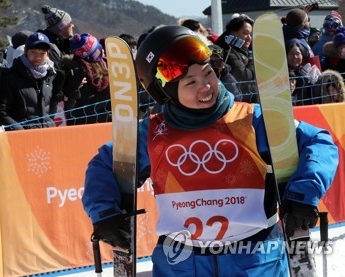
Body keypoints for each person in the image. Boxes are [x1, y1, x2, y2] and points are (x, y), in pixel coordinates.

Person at [82, 26, 338, 276]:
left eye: (208, 74)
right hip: (180, 261)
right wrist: (104, 213)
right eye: (190, 82)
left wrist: (301, 196)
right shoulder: (151, 133)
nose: (205, 86)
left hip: (255, 258)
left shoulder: (251, 119)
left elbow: (318, 142)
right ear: (166, 92)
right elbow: (105, 164)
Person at [0, 32, 62, 130]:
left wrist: (50, 125)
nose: (38, 57)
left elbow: (48, 111)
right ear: (25, 51)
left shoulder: (49, 77)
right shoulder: (11, 77)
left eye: (42, 53)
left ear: (48, 54)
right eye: (33, 52)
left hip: (45, 135)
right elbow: (1, 113)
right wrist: (20, 131)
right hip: (21, 138)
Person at [64, 33, 110, 125]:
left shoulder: (102, 63)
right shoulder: (81, 72)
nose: (102, 52)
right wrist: (110, 93)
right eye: (98, 51)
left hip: (100, 120)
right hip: (83, 125)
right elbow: (88, 108)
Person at [214, 14, 257, 102]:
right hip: (239, 102)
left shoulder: (244, 50)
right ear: (233, 32)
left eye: (251, 34)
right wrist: (253, 61)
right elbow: (244, 76)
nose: (249, 38)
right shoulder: (227, 51)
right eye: (245, 33)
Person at [286, 39, 321, 105]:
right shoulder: (282, 73)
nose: (295, 57)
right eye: (291, 53)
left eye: (297, 53)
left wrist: (318, 79)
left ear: (302, 55)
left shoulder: (309, 70)